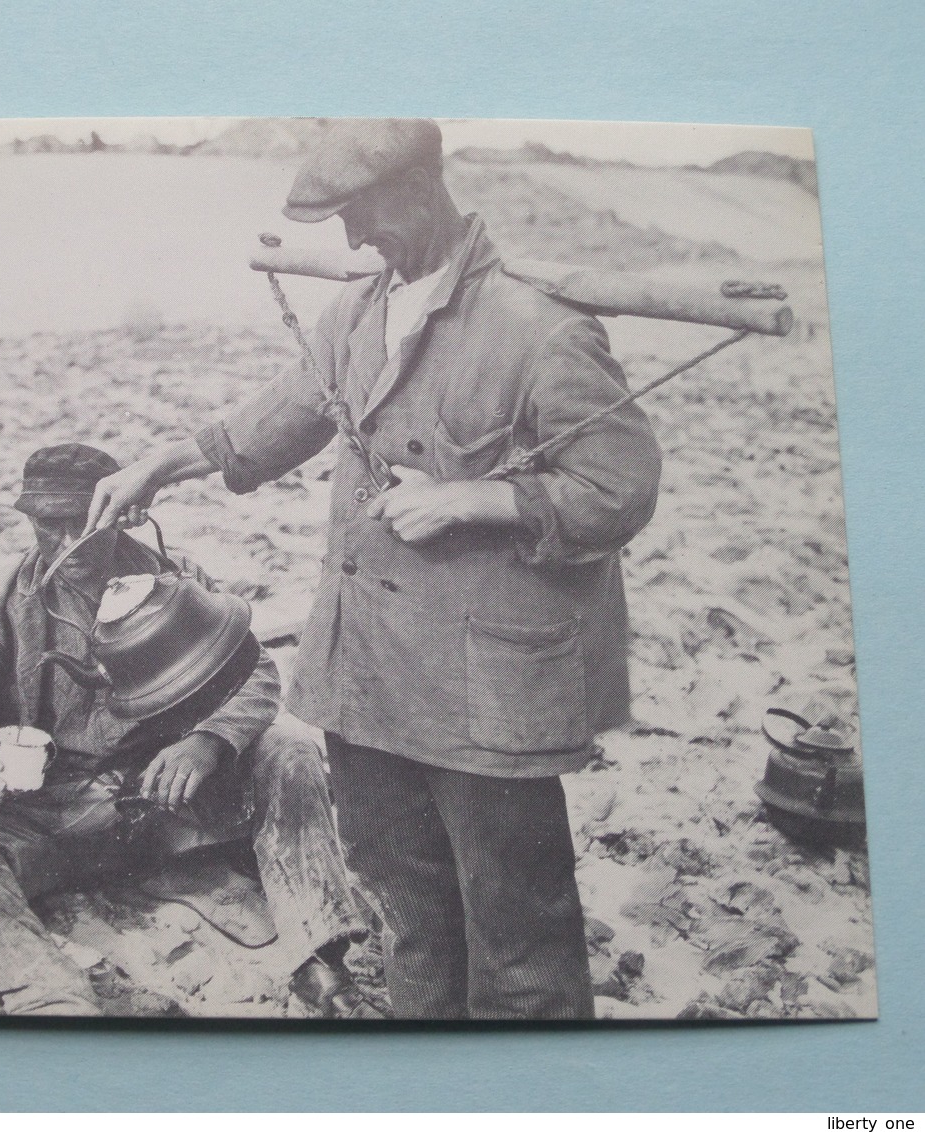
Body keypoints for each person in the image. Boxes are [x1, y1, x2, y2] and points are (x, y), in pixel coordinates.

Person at [86, 119, 664, 1019]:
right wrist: (160, 464)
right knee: (409, 912)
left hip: (488, 695)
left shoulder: (540, 327)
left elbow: (620, 485)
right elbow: (270, 423)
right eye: (340, 221)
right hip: (369, 678)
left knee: (520, 934)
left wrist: (478, 498)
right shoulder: (357, 311)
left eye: (362, 214)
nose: (352, 241)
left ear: (423, 187)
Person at [0, 443, 378, 1018]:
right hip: (49, 812)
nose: (66, 545)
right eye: (48, 527)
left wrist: (206, 742)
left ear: (117, 513)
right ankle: (48, 1000)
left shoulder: (171, 578)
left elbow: (255, 671)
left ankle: (319, 957)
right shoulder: (2, 597)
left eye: (80, 526)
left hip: (161, 804)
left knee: (288, 748)